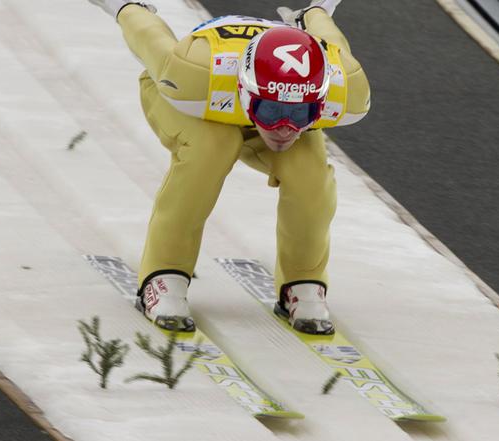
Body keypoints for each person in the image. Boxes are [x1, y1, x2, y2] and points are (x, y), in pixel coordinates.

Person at [86, 0, 371, 335]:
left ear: (321, 99)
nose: (283, 129)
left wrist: (313, 13)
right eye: (272, 111)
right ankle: (164, 275)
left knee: (310, 172)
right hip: (201, 102)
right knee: (213, 147)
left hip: (240, 97)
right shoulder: (193, 73)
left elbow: (329, 43)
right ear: (247, 92)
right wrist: (126, 6)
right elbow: (149, 34)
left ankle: (303, 282)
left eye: (299, 115)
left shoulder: (345, 87)